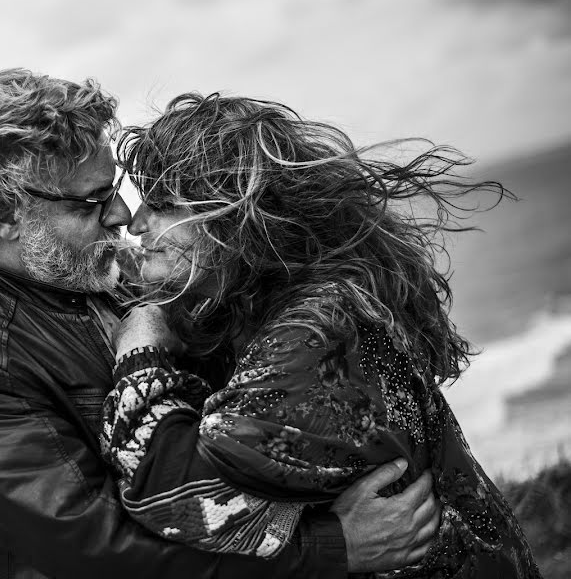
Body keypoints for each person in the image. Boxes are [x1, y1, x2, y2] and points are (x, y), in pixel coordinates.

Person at [0, 68, 442, 579]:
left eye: (114, 188)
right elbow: (92, 547)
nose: (119, 215)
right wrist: (330, 548)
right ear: (3, 214)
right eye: (92, 201)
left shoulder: (107, 268)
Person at [101, 93, 541, 577]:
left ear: (235, 217)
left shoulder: (317, 333)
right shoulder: (296, 299)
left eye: (162, 205)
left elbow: (172, 493)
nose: (136, 223)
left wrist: (139, 351)